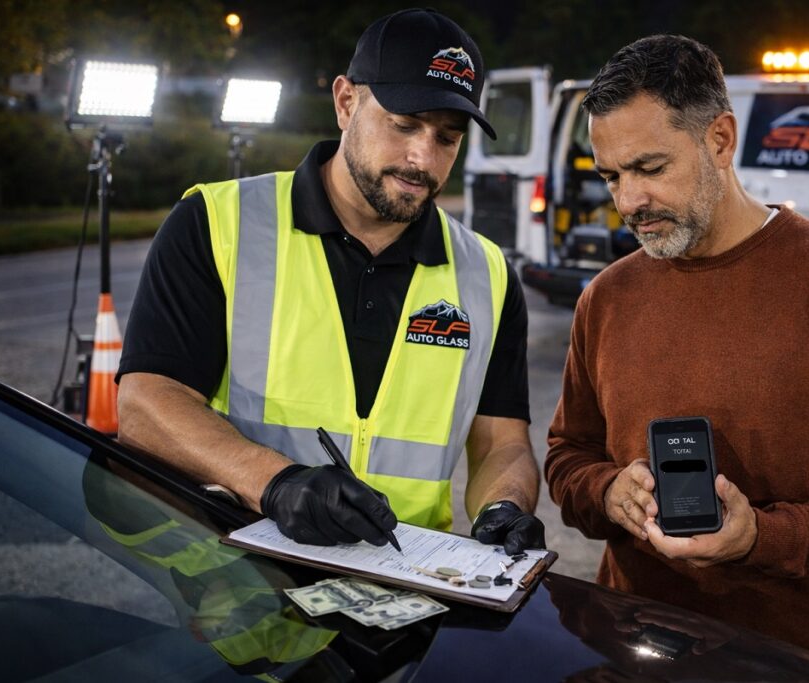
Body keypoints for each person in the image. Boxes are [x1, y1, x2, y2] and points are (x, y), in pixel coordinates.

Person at [543, 34, 809, 669]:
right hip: (630, 647)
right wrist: (606, 491)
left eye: (650, 168)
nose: (628, 202)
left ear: (720, 140)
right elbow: (568, 457)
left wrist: (762, 536)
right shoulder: (606, 298)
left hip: (793, 659)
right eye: (612, 176)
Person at [116, 8, 544, 556]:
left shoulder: (486, 273)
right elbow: (147, 405)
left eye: (448, 137)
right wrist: (276, 482)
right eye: (404, 124)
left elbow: (501, 441)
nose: (423, 159)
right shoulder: (217, 223)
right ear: (346, 102)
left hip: (403, 595)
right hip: (238, 586)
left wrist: (504, 505)